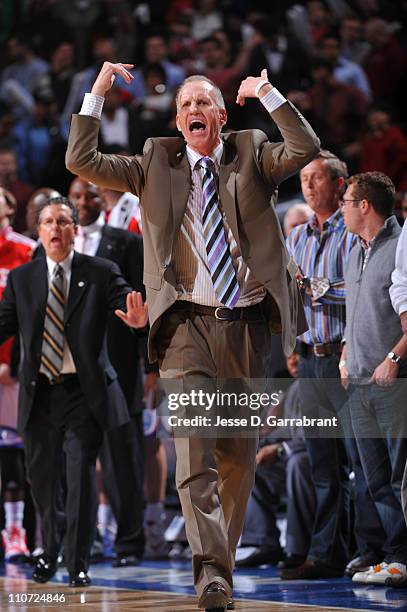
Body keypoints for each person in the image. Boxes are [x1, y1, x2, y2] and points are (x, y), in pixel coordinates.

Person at [66, 62, 319, 612]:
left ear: (221, 116)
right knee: (194, 454)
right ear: (177, 122)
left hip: (247, 326)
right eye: (184, 106)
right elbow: (81, 161)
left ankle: (219, 568)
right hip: (185, 329)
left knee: (236, 460)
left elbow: (304, 146)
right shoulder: (156, 161)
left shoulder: (252, 150)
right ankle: (210, 577)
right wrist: (96, 95)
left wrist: (267, 92)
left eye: (202, 104)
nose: (192, 112)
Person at [0, 196, 147, 586]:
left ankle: (78, 561)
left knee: (80, 473)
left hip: (84, 393)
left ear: (74, 230)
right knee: (43, 482)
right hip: (40, 394)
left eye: (63, 222)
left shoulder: (100, 271)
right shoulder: (23, 279)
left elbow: (126, 301)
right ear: (39, 231)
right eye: (48, 222)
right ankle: (49, 552)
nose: (55, 229)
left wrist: (138, 321)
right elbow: (4, 325)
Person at [285, 150, 384, 580]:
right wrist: (292, 341)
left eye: (317, 178)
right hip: (310, 359)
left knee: (361, 462)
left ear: (340, 186)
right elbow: (291, 294)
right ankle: (325, 553)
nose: (308, 186)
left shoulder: (354, 233)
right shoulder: (297, 237)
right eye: (304, 178)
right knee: (322, 463)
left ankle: (370, 549)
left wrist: (321, 289)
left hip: (347, 359)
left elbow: (363, 291)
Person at [67, 176, 153, 567]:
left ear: (103, 197)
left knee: (122, 457)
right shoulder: (53, 249)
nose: (83, 200)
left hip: (118, 365)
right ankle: (79, 541)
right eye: (76, 195)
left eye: (90, 193)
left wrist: (148, 363)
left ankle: (130, 543)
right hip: (68, 370)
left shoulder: (126, 242)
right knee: (74, 456)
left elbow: (140, 306)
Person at [340, 171, 407, 586]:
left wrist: (392, 359)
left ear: (364, 205)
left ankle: (403, 557)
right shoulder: (354, 251)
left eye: (347, 202)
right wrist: (346, 354)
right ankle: (393, 555)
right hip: (359, 382)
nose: (343, 209)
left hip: (392, 380)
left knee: (400, 477)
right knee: (376, 480)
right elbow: (355, 313)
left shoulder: (401, 246)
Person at [0, 187, 36, 562]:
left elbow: (31, 316)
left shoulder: (26, 250)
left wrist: (14, 363)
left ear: (11, 207)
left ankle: (17, 532)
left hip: (12, 372)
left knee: (13, 457)